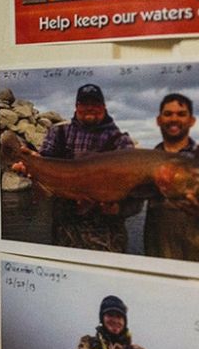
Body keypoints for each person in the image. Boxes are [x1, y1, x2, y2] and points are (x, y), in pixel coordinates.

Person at [38, 84, 138, 252]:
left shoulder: (121, 142)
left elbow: (135, 194)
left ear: (104, 107)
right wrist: (27, 164)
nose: (90, 108)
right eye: (85, 103)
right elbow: (42, 166)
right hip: (64, 232)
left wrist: (118, 209)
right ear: (76, 106)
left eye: (95, 103)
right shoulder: (58, 133)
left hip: (107, 236)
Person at [143, 92, 199, 263]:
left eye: (181, 114)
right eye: (168, 114)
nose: (174, 119)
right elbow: (132, 205)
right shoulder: (145, 162)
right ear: (159, 120)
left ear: (191, 120)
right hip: (161, 258)